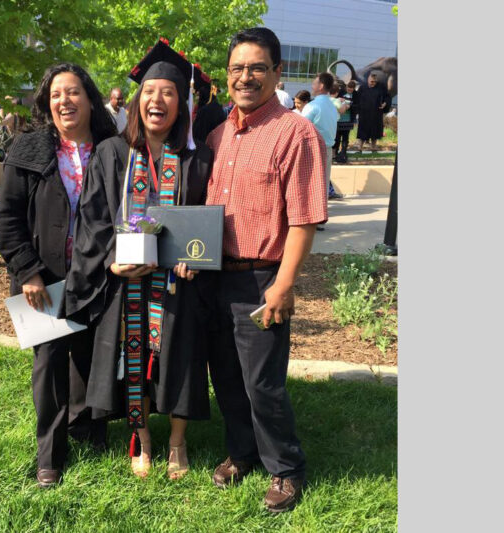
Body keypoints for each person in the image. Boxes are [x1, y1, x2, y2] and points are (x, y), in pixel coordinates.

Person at [63, 39, 214, 480]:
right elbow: (92, 219)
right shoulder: (112, 154)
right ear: (137, 100)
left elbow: (205, 221)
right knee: (134, 359)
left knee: (181, 358)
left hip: (177, 285)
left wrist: (195, 259)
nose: (158, 100)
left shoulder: (196, 157)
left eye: (168, 92)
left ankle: (177, 443)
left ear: (180, 103)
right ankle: (142, 437)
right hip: (125, 284)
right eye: (150, 92)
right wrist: (111, 262)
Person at [204, 27, 327, 513]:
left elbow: (304, 218)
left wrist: (284, 284)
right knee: (228, 378)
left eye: (257, 67)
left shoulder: (296, 133)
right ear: (227, 75)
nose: (246, 77)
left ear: (277, 72)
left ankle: (286, 469)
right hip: (215, 276)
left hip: (262, 278)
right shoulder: (217, 135)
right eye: (237, 68)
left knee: (263, 383)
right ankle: (242, 453)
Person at [0, 63, 117, 489]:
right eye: (56, 94)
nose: (65, 100)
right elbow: (8, 218)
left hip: (96, 275)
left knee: (89, 356)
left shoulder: (111, 146)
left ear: (89, 97)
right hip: (41, 279)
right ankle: (49, 453)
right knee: (49, 366)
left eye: (74, 92)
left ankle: (87, 427)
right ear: (48, 103)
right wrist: (26, 270)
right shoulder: (29, 149)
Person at [302, 72, 344, 211]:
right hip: (327, 148)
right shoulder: (332, 106)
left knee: (310, 183)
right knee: (323, 183)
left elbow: (301, 128)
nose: (312, 85)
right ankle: (320, 215)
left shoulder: (313, 106)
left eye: (314, 82)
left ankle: (311, 216)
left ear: (321, 86)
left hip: (313, 149)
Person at [356, 72, 389, 151]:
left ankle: (373, 146)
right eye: (371, 82)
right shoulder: (362, 87)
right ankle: (360, 146)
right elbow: (357, 99)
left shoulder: (381, 87)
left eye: (375, 82)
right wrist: (357, 111)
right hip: (364, 113)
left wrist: (385, 103)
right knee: (363, 130)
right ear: (368, 80)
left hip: (376, 113)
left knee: (375, 131)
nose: (373, 83)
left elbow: (387, 96)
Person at [333, 81, 355, 163]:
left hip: (348, 120)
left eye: (351, 89)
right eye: (348, 88)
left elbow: (358, 105)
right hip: (339, 119)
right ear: (346, 87)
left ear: (353, 88)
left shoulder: (356, 95)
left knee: (345, 138)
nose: (349, 90)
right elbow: (335, 101)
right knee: (337, 137)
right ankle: (335, 153)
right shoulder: (340, 93)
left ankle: (343, 153)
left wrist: (350, 106)